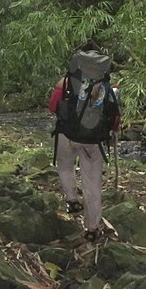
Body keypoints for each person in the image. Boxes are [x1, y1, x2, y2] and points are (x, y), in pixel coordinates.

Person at [47, 68, 118, 241]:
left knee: (64, 166)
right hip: (93, 141)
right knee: (92, 184)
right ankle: (92, 229)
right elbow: (114, 119)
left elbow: (52, 107)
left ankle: (72, 201)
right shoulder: (107, 87)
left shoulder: (64, 82)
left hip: (66, 135)